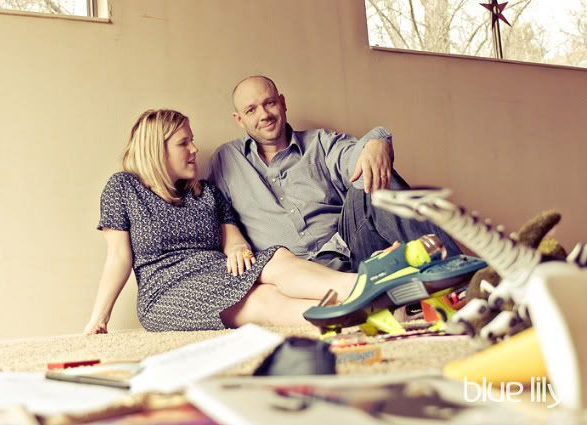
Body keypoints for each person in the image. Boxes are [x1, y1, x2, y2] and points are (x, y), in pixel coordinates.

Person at [84, 109, 358, 334]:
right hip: (165, 291)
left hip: (216, 271)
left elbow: (233, 239)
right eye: (183, 143)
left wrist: (238, 249)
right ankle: (351, 312)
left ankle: (356, 292)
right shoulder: (123, 187)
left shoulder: (206, 192)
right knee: (263, 299)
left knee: (277, 258)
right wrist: (99, 318)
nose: (194, 149)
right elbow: (118, 256)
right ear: (156, 150)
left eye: (192, 140)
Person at [208, 75, 461, 272]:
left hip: (351, 250)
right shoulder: (227, 160)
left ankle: (458, 272)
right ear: (239, 119)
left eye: (270, 103)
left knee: (372, 174)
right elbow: (216, 213)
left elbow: (355, 160)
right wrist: (236, 245)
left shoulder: (320, 143)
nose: (264, 115)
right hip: (293, 272)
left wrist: (377, 140)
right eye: (251, 110)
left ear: (283, 103)